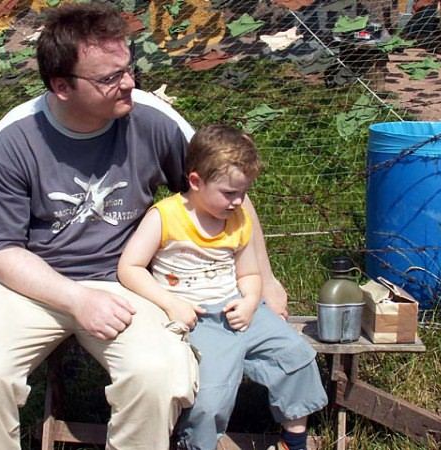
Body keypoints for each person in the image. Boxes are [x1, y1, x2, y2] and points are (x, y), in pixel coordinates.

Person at [0, 3, 287, 450]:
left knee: (160, 375)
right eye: (109, 78)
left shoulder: (150, 118)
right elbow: (2, 251)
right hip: (32, 285)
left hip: (127, 280)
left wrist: (265, 280)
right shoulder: (15, 139)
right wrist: (77, 299)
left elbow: (228, 190)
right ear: (62, 86)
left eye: (128, 68)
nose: (129, 83)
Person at [118, 125, 328, 450]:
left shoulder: (238, 218)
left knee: (297, 357)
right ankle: (197, 444)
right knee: (211, 395)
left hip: (241, 308)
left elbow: (249, 273)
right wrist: (170, 303)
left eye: (243, 192)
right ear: (196, 181)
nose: (238, 201)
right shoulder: (165, 217)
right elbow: (129, 268)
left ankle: (293, 442)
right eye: (229, 193)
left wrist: (251, 300)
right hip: (197, 319)